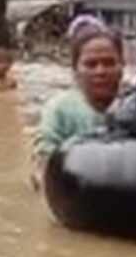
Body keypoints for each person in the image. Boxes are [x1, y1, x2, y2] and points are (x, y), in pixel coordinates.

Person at [34, 17, 125, 157]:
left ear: (122, 66)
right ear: (75, 70)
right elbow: (42, 161)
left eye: (109, 63)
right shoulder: (59, 110)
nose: (100, 71)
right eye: (91, 64)